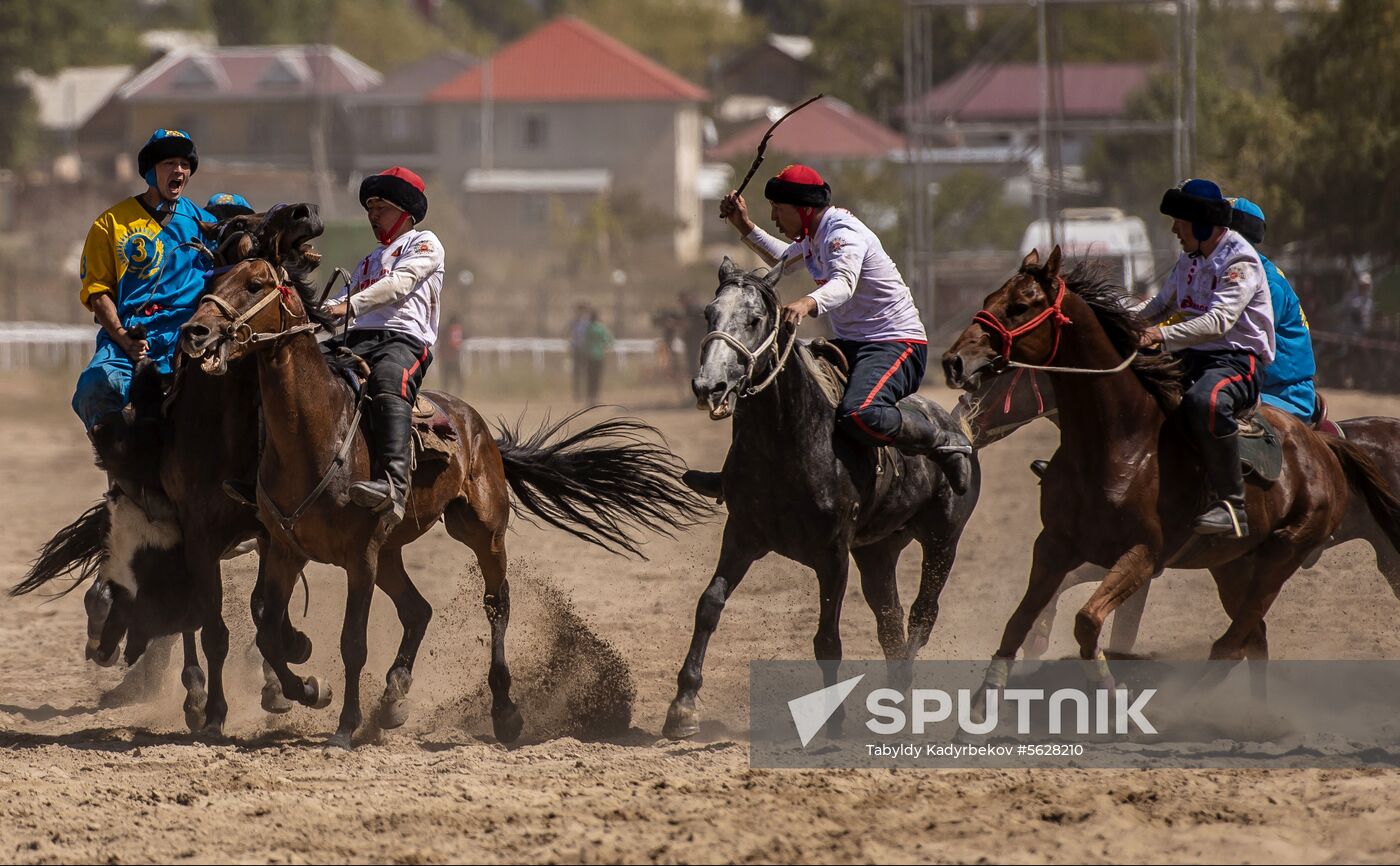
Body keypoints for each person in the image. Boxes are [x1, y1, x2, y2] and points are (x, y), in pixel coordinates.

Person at [686, 164, 972, 499]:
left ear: (804, 209)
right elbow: (782, 259)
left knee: (860, 413)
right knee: (769, 383)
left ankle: (942, 442)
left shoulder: (841, 234)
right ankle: (737, 476)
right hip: (851, 344)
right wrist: (744, 226)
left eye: (779, 210)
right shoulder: (813, 236)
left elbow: (844, 284)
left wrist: (807, 303)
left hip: (895, 345)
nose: (775, 218)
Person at [1137, 179, 1275, 538]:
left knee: (1206, 401)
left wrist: (1160, 335)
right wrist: (1119, 321)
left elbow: (1218, 322)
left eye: (1179, 223)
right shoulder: (1189, 260)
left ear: (1201, 225)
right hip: (1191, 357)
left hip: (1235, 362)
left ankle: (1232, 506)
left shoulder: (1239, 262)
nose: (1174, 230)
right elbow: (1158, 306)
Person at [72, 129, 217, 449]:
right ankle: (122, 478)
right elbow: (98, 292)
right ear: (151, 171)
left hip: (190, 336)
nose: (178, 170)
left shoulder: (206, 224)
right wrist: (123, 338)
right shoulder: (109, 224)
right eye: (169, 163)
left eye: (184, 164)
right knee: (96, 385)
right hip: (132, 336)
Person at [322, 167, 445, 527]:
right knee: (299, 372)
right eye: (370, 209)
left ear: (405, 212)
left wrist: (347, 306)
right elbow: (342, 299)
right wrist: (313, 316)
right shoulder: (366, 261)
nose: (373, 216)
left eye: (381, 208)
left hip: (404, 340)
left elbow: (397, 285)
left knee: (389, 378)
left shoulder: (425, 243)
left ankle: (393, 484)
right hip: (356, 339)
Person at [1229, 198, 1317, 421]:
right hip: (1257, 387)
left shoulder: (1266, 283)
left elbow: (1244, 340)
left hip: (1285, 395)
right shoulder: (1236, 272)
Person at [583, 308, 613, 405]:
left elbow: (585, 341)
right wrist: (605, 347)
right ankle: (596, 397)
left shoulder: (588, 328)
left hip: (589, 356)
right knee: (597, 377)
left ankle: (589, 398)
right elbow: (609, 341)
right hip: (599, 355)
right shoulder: (601, 328)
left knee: (590, 377)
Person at [569, 303, 591, 402]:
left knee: (586, 372)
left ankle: (587, 393)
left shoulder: (587, 323)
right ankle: (577, 393)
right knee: (576, 373)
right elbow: (572, 336)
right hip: (577, 349)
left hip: (585, 349)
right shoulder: (574, 323)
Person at [440, 315, 466, 395]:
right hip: (454, 357)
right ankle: (459, 393)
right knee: (458, 377)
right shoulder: (456, 329)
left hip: (446, 357)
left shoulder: (445, 330)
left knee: (446, 377)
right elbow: (458, 343)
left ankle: (445, 393)